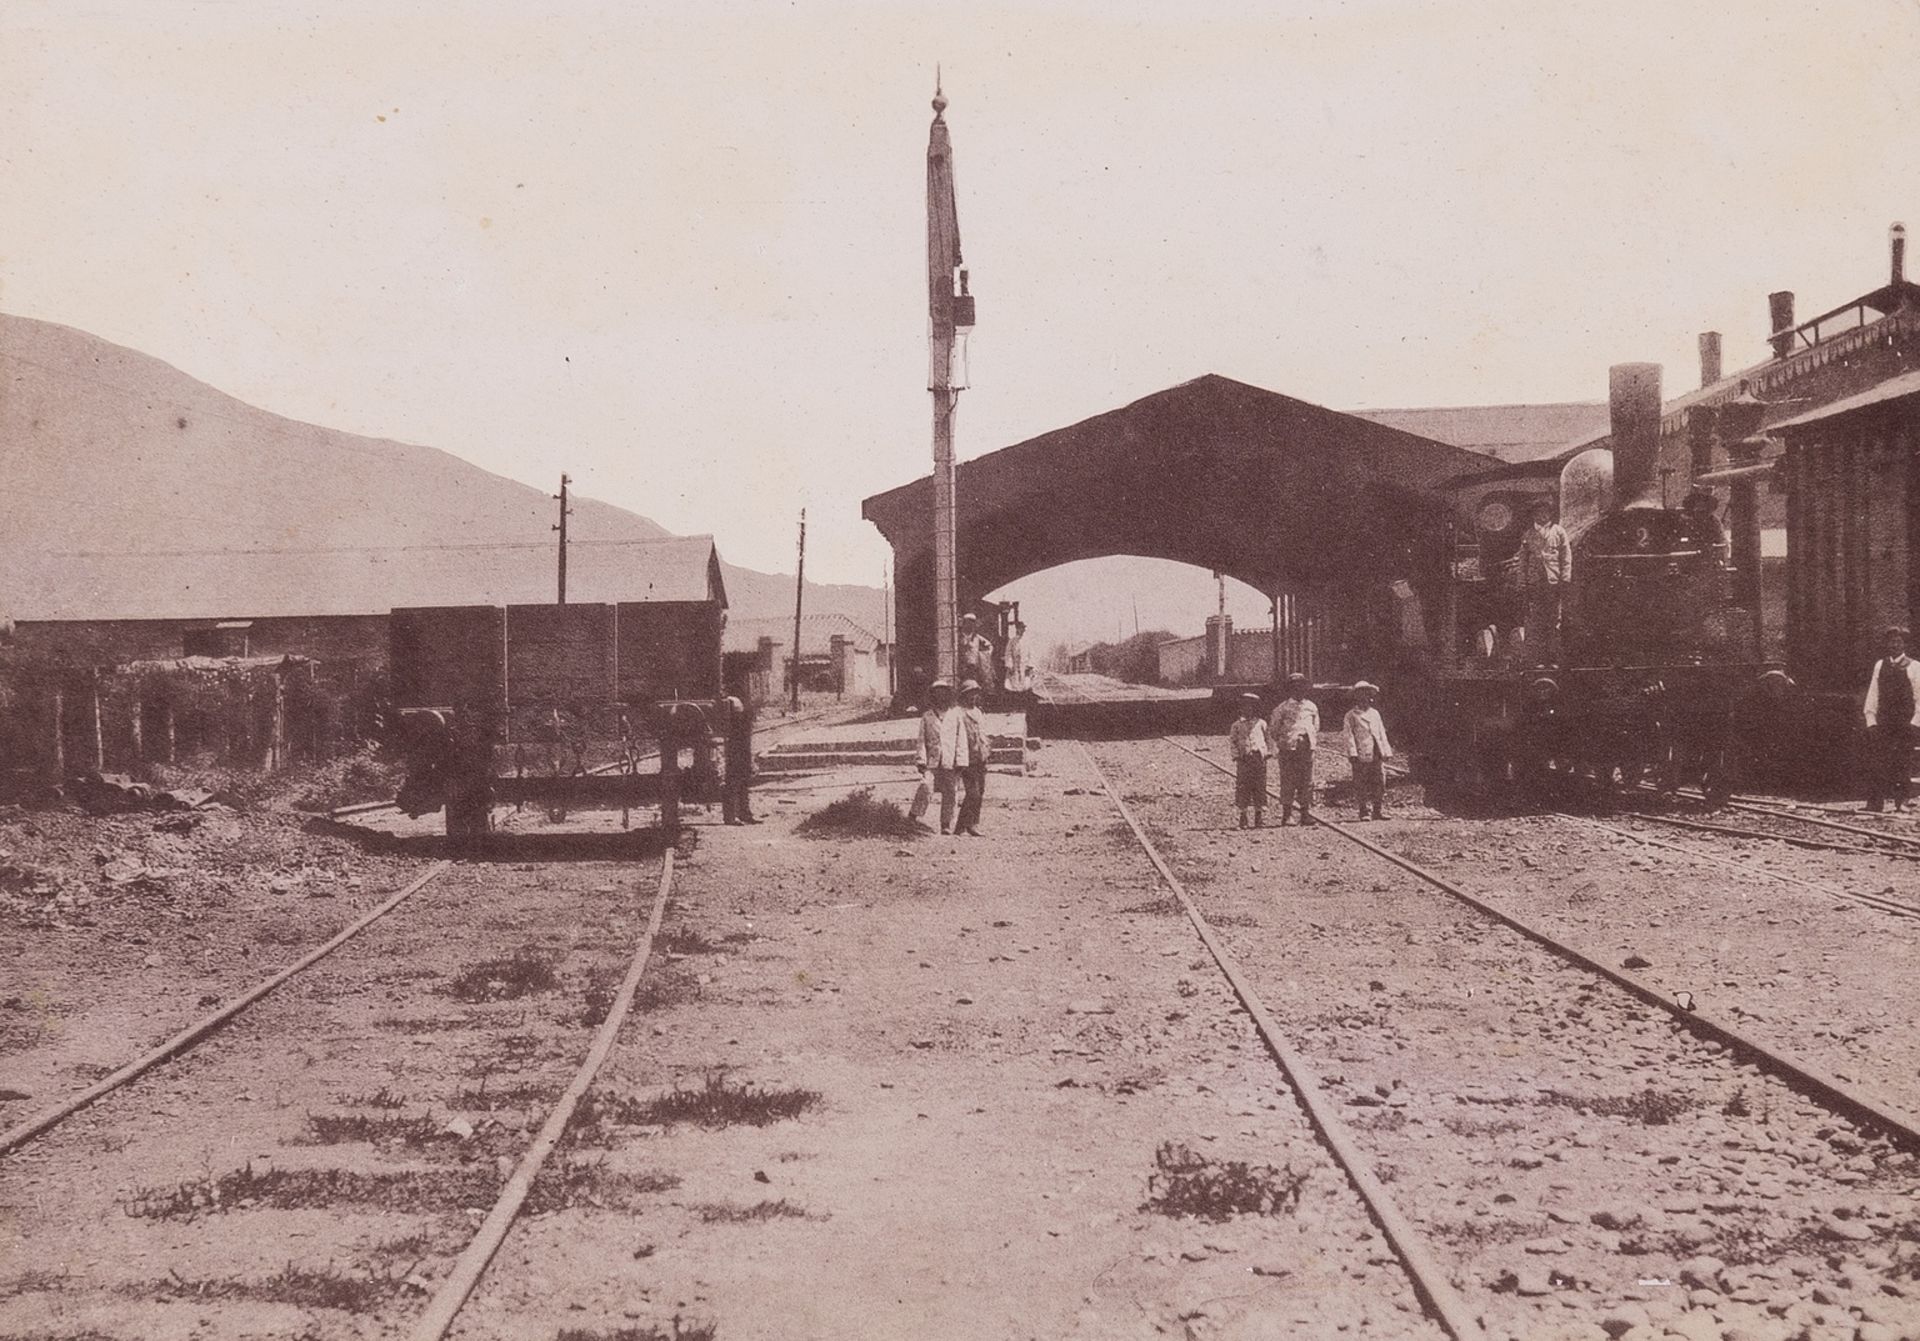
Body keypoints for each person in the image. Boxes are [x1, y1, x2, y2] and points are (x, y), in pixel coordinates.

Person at [1863, 626, 1920, 813]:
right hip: (1885, 721)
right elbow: (1874, 693)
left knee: (1902, 761)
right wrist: (1871, 719)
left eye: (1898, 641)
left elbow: (1918, 697)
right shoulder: (1880, 665)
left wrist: (1915, 722)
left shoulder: (1914, 667)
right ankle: (1875, 804)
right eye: (1892, 642)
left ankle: (1901, 802)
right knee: (1878, 761)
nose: (1895, 645)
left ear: (1905, 644)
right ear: (1887, 644)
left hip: (1905, 722)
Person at [1518, 500, 1572, 666]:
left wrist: (1565, 578)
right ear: (1533, 515)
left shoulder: (1559, 532)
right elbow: (1523, 562)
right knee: (1536, 622)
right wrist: (1522, 583)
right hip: (1535, 584)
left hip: (1553, 583)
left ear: (1550, 514)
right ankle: (1538, 660)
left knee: (1554, 621)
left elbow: (1566, 557)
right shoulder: (1528, 535)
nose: (1542, 515)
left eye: (1545, 512)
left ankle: (1553, 659)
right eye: (1538, 512)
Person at [914, 679, 969, 834]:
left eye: (943, 693)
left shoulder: (955, 715)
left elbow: (961, 739)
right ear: (933, 696)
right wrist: (921, 760)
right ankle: (914, 816)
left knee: (951, 791)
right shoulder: (927, 716)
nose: (940, 696)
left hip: (950, 760)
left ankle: (945, 823)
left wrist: (961, 760)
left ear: (948, 695)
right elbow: (921, 740)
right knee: (926, 786)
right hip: (932, 760)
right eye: (937, 693)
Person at [1268, 673, 1319, 826]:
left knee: (1307, 781)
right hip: (1289, 748)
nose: (1299, 689)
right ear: (1290, 689)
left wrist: (1308, 739)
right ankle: (1287, 815)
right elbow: (1274, 730)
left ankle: (1305, 813)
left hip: (1306, 747)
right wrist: (1286, 741)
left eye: (1301, 686)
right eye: (1295, 686)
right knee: (1288, 781)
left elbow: (1315, 726)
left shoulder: (1311, 707)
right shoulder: (1282, 708)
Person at [1343, 680, 1392, 820]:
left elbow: (1382, 732)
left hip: (1376, 751)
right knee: (1361, 781)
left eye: (1367, 694)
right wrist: (1352, 753)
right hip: (1361, 751)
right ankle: (1363, 811)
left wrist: (1386, 750)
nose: (1364, 697)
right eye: (1361, 694)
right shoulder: (1351, 715)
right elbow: (1348, 735)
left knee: (1380, 781)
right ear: (1356, 697)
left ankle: (1378, 810)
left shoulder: (1375, 713)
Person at [1228, 692, 1272, 829]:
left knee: (1259, 786)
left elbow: (1268, 739)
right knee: (1243, 787)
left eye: (1251, 707)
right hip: (1244, 759)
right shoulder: (1236, 725)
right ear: (1241, 708)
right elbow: (1233, 742)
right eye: (1245, 707)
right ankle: (1243, 816)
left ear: (1255, 708)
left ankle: (1259, 816)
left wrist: (1268, 752)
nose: (1248, 710)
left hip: (1258, 758)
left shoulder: (1261, 723)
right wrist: (1236, 755)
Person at [956, 679, 990, 836]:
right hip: (966, 757)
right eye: (969, 694)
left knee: (980, 791)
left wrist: (987, 751)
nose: (973, 697)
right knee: (972, 792)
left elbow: (983, 734)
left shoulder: (978, 711)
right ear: (963, 696)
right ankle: (963, 825)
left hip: (980, 756)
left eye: (975, 693)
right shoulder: (958, 713)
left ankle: (971, 824)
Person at [720, 695, 759, 825]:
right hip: (733, 742)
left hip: (742, 740)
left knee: (744, 778)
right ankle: (730, 816)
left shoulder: (744, 712)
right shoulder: (729, 703)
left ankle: (744, 813)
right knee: (733, 779)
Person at [959, 613, 996, 688]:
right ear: (965, 623)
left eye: (973, 623)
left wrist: (985, 656)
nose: (971, 625)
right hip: (962, 666)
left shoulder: (976, 637)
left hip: (975, 666)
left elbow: (989, 646)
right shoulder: (959, 636)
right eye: (969, 622)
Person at [1002, 620, 1030, 693]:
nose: (1022, 630)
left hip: (1024, 664)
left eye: (1023, 629)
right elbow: (1008, 653)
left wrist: (1029, 664)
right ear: (1017, 629)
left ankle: (1023, 695)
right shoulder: (1012, 641)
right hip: (1014, 665)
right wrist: (1009, 664)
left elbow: (1030, 653)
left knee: (1024, 682)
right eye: (1020, 628)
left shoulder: (1026, 641)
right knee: (1013, 682)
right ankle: (1015, 696)